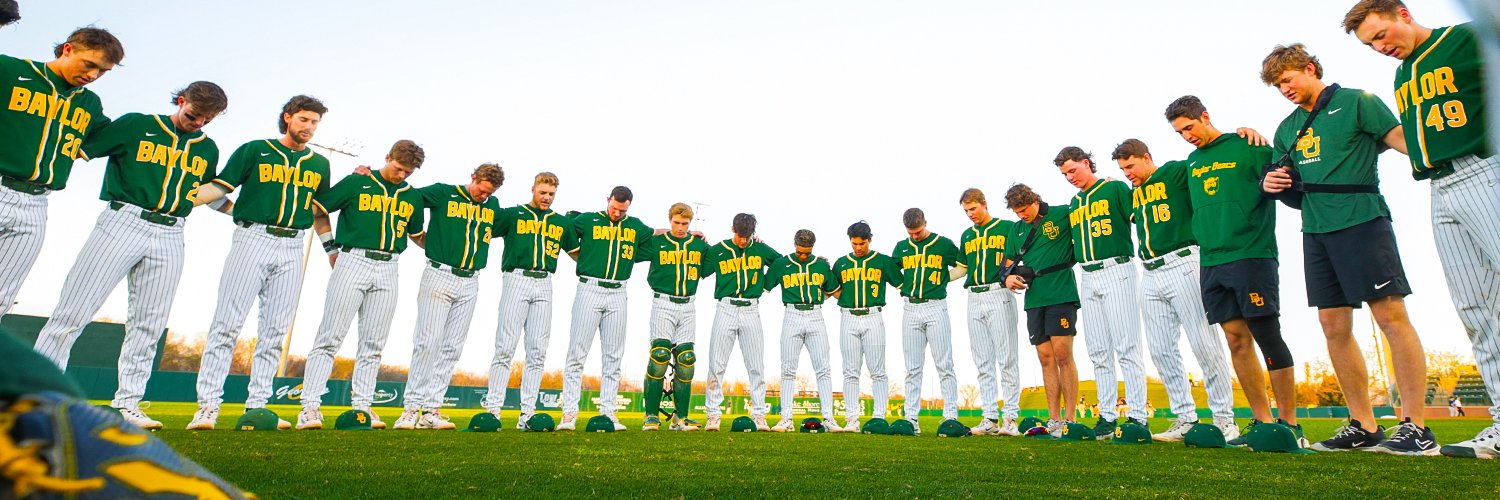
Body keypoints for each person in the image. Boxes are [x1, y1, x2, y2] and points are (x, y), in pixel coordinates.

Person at [1260, 43, 1436, 455]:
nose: (1283, 89)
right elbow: (1289, 185)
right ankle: (1364, 424)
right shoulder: (1287, 129)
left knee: (1391, 317)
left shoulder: (1358, 102)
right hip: (1315, 231)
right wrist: (1272, 184)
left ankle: (1416, 425)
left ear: (1309, 68)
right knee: (1333, 327)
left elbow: (1405, 141)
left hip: (1362, 221)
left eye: (1287, 79)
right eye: (1276, 85)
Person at [1344, 0, 1499, 460]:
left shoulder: (1466, 37)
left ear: (1403, 14)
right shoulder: (1402, 74)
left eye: (1381, 35)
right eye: (1371, 44)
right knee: (1475, 308)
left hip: (1485, 169)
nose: (1380, 47)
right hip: (1439, 184)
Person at [32, 82, 227, 430]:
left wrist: (246, 210)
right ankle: (40, 396)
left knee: (149, 324)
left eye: (207, 120)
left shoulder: (207, 148)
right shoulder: (137, 124)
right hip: (123, 219)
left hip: (172, 230)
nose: (198, 123)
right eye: (194, 114)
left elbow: (206, 192)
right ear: (181, 101)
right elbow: (79, 147)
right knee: (73, 310)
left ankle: (128, 404)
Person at [1166, 95, 1304, 446]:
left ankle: (1289, 423)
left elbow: (1284, 176)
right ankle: (1261, 421)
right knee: (1235, 340)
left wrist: (1251, 133)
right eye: (1180, 132)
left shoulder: (1249, 146)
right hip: (1211, 261)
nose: (1187, 136)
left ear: (1205, 116)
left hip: (1251, 254)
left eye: (1189, 127)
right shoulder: (1192, 162)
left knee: (1266, 334)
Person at [187, 95, 330, 431]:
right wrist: (183, 199)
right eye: (304, 120)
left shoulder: (319, 164)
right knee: (226, 325)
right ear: (288, 117)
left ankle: (258, 406)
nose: (309, 127)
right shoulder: (254, 149)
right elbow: (218, 190)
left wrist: (331, 249)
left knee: (275, 331)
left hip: (294, 244)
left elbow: (318, 212)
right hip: (252, 238)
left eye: (315, 122)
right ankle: (208, 407)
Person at [1112, 139, 1240, 442]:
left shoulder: (1175, 172)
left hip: (1183, 261)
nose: (1127, 172)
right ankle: (1185, 417)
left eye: (1130, 165)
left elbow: (1208, 166)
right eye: (1121, 169)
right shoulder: (1134, 192)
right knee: (1160, 349)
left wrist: (1237, 137)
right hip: (1150, 270)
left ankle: (1224, 418)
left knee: (1203, 342)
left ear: (1147, 157)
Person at [296, 140, 426, 430]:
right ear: (387, 156)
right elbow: (318, 210)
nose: (402, 175)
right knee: (329, 337)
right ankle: (310, 406)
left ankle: (363, 407)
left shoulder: (412, 196)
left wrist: (448, 245)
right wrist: (330, 249)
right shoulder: (358, 181)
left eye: (408, 172)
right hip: (352, 259)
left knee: (374, 343)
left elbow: (417, 235)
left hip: (390, 265)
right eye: (398, 168)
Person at [0, 26, 123, 318]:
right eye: (89, 65)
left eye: (103, 71)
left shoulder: (89, 103)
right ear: (68, 49)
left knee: (4, 295)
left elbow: (113, 138)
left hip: (37, 204)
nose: (94, 75)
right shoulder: (9, 70)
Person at [392, 163, 504, 431]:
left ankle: (431, 409)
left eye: (489, 192)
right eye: (481, 189)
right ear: (473, 177)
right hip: (439, 273)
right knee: (427, 342)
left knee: (452, 347)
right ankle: (410, 409)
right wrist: (418, 234)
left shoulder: (492, 204)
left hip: (471, 279)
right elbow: (409, 195)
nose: (482, 196)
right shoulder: (444, 193)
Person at [1055, 146, 1149, 437]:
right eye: (1064, 174)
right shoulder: (1074, 202)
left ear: (1086, 163)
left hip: (1116, 268)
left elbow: (1141, 217)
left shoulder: (1115, 188)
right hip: (1088, 274)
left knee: (1127, 346)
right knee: (1097, 350)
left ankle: (1137, 415)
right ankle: (1106, 417)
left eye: (1073, 170)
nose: (1070, 176)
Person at [482, 172, 579, 429]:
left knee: (537, 351)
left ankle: (527, 413)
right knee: (505, 347)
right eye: (543, 192)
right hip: (516, 278)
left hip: (545, 281)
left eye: (551, 194)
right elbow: (483, 221)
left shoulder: (560, 223)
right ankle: (493, 409)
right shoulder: (515, 214)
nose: (547, 198)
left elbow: (579, 254)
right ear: (533, 190)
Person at [556, 186, 653, 432]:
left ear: (629, 206)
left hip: (619, 291)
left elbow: (656, 235)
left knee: (613, 356)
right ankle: (569, 413)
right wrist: (576, 253)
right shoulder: (589, 219)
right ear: (607, 200)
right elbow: (565, 227)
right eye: (614, 207)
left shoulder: (635, 225)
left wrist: (691, 233)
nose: (617, 213)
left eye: (622, 209)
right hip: (589, 287)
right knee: (577, 353)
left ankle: (608, 413)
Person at [1002, 183, 1080, 438]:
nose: (1022, 215)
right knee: (1045, 358)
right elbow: (1007, 263)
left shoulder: (1061, 213)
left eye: (1024, 210)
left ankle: (1070, 419)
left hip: (1060, 292)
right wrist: (1007, 278)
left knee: (1062, 355)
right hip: (1034, 297)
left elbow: (1087, 211)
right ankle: (1054, 419)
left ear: (1035, 200)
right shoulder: (1016, 229)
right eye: (1017, 212)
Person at [701, 213, 780, 432]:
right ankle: (713, 415)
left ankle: (759, 414)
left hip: (751, 308)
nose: (743, 241)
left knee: (756, 365)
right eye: (740, 235)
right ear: (732, 229)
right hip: (726, 307)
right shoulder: (718, 250)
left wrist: (766, 285)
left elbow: (782, 264)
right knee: (716, 364)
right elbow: (699, 269)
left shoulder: (760, 248)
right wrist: (696, 240)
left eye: (748, 236)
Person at [635, 203, 711, 431]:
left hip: (688, 305)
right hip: (663, 303)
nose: (680, 228)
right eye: (676, 223)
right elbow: (631, 243)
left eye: (685, 224)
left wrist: (752, 240)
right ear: (670, 221)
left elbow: (720, 258)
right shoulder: (657, 243)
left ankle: (681, 418)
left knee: (687, 359)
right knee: (659, 356)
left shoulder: (698, 245)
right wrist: (658, 231)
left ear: (691, 223)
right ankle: (651, 416)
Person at [892, 208, 964, 435]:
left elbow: (963, 265)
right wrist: (901, 285)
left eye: (918, 231)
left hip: (935, 306)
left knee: (944, 364)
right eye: (910, 232)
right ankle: (911, 418)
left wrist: (943, 279)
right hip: (911, 307)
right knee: (912, 367)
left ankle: (950, 415)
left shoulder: (943, 244)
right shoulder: (901, 247)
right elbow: (892, 270)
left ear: (926, 223)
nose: (914, 236)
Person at [956, 188, 1022, 436]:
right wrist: (937, 280)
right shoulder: (966, 235)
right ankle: (989, 417)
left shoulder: (1007, 228)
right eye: (966, 210)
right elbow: (962, 269)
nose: (970, 214)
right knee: (982, 361)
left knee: (1007, 358)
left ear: (984, 204)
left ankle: (1011, 417)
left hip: (998, 292)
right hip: (974, 295)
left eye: (973, 208)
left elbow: (1019, 256)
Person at [763, 229, 841, 432]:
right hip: (791, 314)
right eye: (800, 252)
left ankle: (829, 419)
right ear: (794, 245)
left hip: (816, 314)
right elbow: (763, 286)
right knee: (788, 369)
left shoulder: (821, 265)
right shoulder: (781, 264)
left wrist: (830, 273)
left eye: (807, 252)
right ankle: (786, 419)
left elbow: (836, 293)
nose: (804, 256)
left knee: (823, 369)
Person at [829, 221, 903, 432]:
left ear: (869, 240)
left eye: (862, 243)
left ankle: (878, 416)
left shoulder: (882, 261)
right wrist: (843, 299)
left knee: (877, 370)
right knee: (850, 371)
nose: (858, 247)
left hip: (873, 316)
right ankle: (852, 418)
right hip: (848, 317)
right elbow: (832, 288)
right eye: (854, 243)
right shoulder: (842, 263)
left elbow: (902, 284)